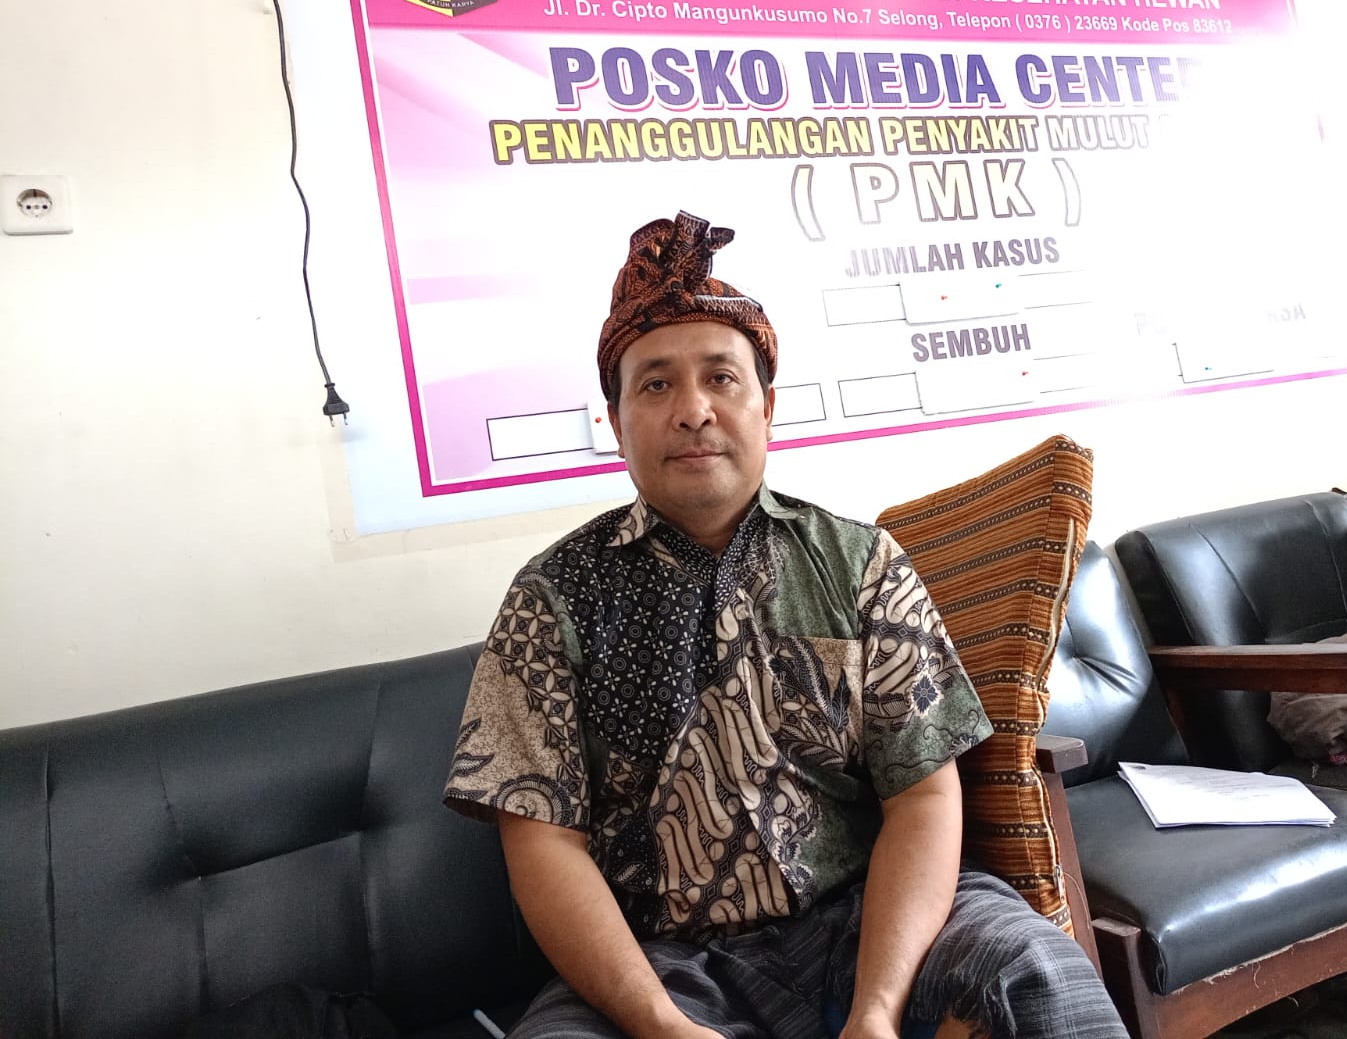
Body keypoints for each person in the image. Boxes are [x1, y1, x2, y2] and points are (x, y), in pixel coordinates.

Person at [443, 211, 1127, 1039]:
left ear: (766, 407)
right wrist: (658, 1023)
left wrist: (878, 1010)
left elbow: (922, 794)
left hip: (871, 919)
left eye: (720, 378)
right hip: (665, 964)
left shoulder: (861, 563)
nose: (693, 410)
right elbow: (543, 844)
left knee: (1034, 976)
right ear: (616, 423)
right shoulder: (551, 597)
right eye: (655, 385)